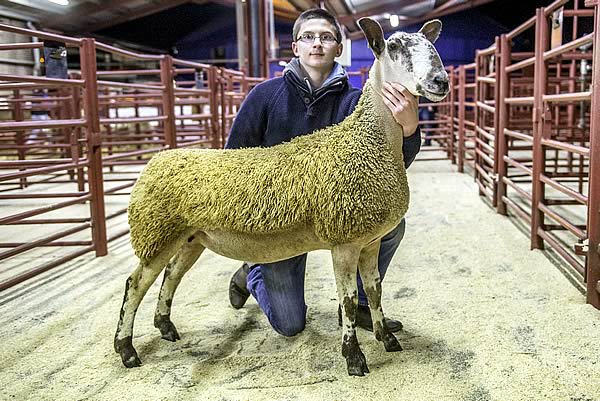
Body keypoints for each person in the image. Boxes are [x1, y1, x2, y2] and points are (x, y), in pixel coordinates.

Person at [226, 8, 421, 337]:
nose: (317, 44)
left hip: (330, 213)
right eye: (309, 37)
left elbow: (388, 169)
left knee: (390, 227)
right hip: (278, 219)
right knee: (290, 324)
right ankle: (253, 270)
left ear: (339, 48)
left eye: (327, 37)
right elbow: (233, 162)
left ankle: (358, 303)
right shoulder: (264, 96)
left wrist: (410, 129)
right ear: (295, 47)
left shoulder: (354, 102)